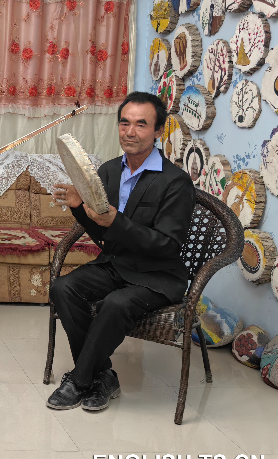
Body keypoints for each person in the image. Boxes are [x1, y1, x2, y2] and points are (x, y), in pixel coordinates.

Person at [48, 91, 195, 412]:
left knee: (115, 304)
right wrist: (78, 208)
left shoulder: (176, 182)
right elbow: (103, 237)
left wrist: (118, 220)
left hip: (158, 276)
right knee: (63, 287)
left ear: (158, 131)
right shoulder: (109, 171)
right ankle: (104, 376)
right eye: (124, 123)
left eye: (141, 125)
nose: (130, 132)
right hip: (116, 264)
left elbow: (167, 245)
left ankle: (81, 379)